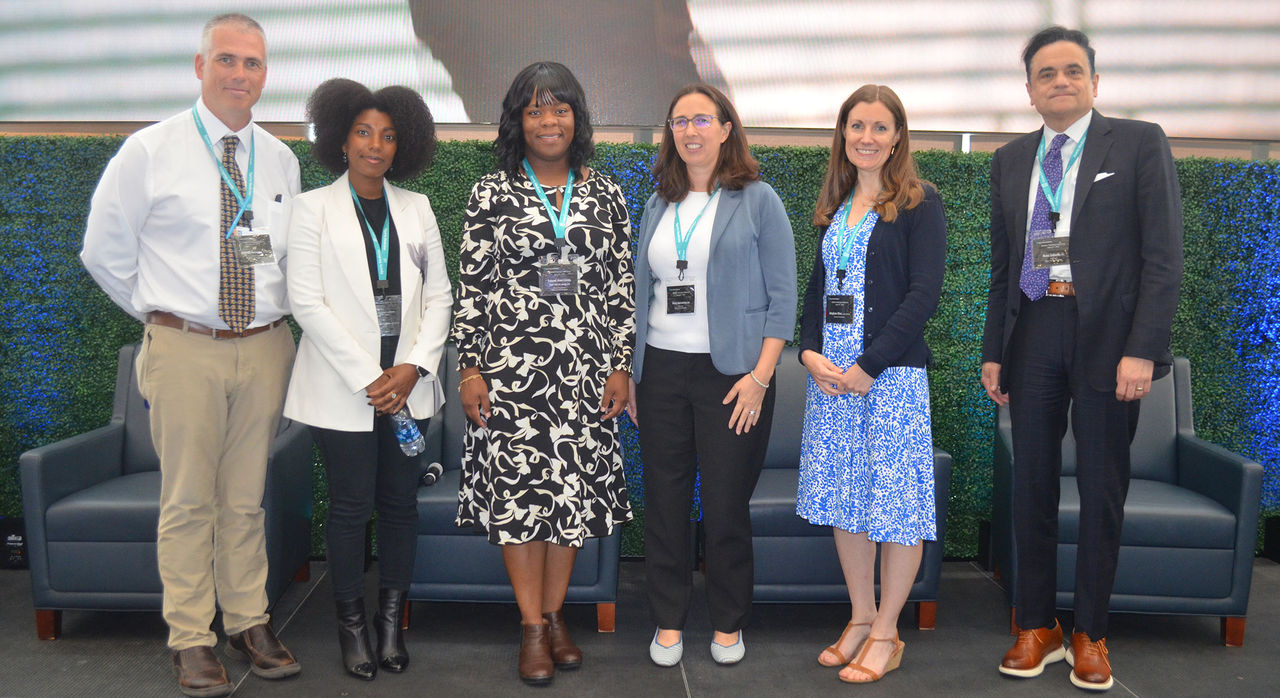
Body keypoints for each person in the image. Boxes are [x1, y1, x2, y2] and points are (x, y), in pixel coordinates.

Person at [79, 13, 302, 697]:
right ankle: (190, 637)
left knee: (244, 498)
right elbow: (102, 252)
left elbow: (280, 255)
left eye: (254, 64)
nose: (241, 75)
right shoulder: (151, 151)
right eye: (228, 60)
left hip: (265, 346)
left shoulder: (281, 158)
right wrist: (164, 317)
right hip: (185, 348)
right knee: (185, 501)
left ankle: (248, 620)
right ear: (199, 66)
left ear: (266, 74)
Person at [982, 26, 1183, 692]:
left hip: (1107, 342)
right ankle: (1037, 626)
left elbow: (1162, 260)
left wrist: (1142, 352)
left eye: (1072, 71)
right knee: (1032, 485)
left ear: (1094, 82)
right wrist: (993, 353)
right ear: (1031, 89)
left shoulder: (1139, 143)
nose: (1059, 82)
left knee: (1102, 489)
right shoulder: (1010, 160)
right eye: (1046, 73)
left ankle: (1091, 633)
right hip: (1034, 331)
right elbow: (1004, 266)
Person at [451, 61, 634, 686]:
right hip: (512, 375)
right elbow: (472, 286)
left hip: (584, 374)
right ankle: (531, 627)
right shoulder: (491, 192)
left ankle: (556, 616)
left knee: (570, 501)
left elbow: (620, 287)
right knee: (522, 503)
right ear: (517, 120)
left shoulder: (605, 192)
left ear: (577, 117)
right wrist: (469, 366)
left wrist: (620, 364)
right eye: (535, 109)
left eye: (559, 109)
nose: (548, 120)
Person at [283, 78, 451, 681]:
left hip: (411, 389)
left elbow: (441, 296)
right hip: (342, 390)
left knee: (400, 507)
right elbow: (306, 302)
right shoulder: (310, 209)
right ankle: (351, 628)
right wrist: (371, 378)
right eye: (362, 132)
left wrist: (412, 369)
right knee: (352, 509)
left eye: (387, 134)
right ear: (339, 138)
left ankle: (388, 625)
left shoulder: (418, 208)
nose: (375, 144)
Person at [627, 83, 797, 668]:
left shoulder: (758, 199)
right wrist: (633, 373)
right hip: (661, 370)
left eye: (703, 119)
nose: (690, 130)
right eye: (679, 121)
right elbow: (640, 293)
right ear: (671, 133)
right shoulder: (657, 201)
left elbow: (783, 299)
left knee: (725, 507)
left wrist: (760, 377)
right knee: (666, 502)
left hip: (734, 376)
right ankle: (668, 622)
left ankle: (728, 622)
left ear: (727, 128)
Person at [795, 84, 946, 684]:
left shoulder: (918, 201)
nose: (866, 138)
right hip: (832, 380)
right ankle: (859, 618)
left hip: (890, 380)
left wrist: (869, 365)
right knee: (845, 501)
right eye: (856, 126)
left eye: (879, 127)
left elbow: (922, 295)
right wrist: (809, 351)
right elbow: (815, 290)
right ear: (843, 134)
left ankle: (887, 631)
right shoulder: (836, 203)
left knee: (896, 504)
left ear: (898, 136)